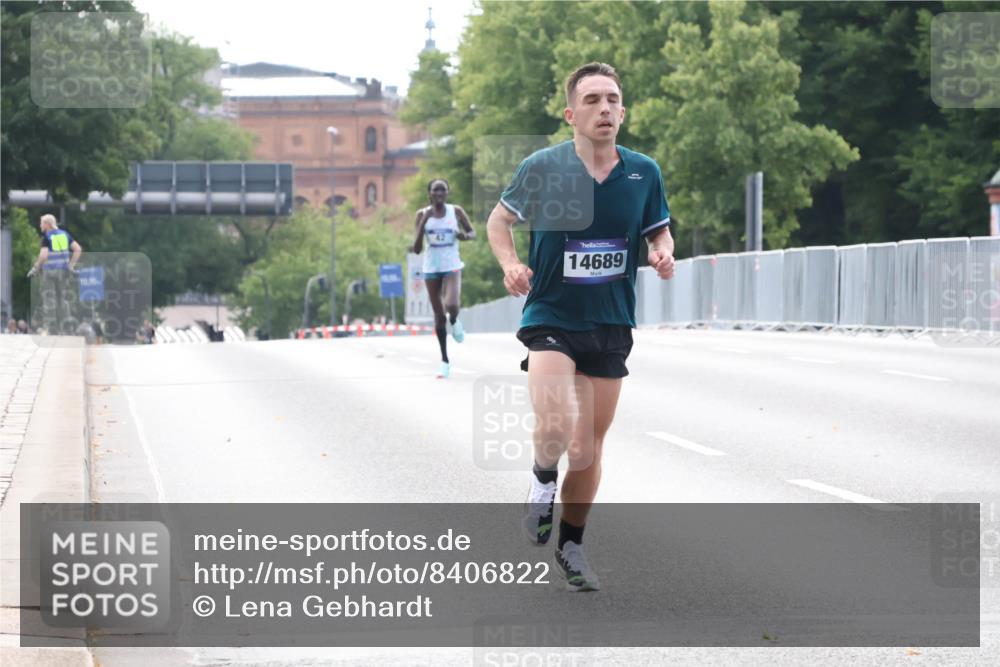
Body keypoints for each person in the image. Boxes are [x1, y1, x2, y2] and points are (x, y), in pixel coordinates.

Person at [486, 62, 675, 592]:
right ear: (571, 114)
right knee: (555, 423)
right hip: (552, 313)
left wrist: (662, 254)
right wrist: (509, 265)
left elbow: (659, 233)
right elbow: (499, 221)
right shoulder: (544, 167)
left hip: (611, 320)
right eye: (592, 100)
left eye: (613, 99)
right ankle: (542, 483)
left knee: (588, 448)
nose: (605, 109)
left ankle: (571, 545)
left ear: (624, 111)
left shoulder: (643, 172)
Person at [410, 179, 476, 378]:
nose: (439, 193)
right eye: (435, 190)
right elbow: (416, 248)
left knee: (452, 305)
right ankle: (445, 361)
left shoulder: (455, 211)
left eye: (443, 190)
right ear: (429, 193)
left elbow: (472, 232)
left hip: (452, 266)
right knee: (439, 317)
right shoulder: (422, 214)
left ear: (447, 192)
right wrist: (423, 222)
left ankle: (455, 320)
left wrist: (464, 236)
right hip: (431, 269)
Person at [26, 214, 83, 335]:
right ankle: (68, 328)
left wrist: (35, 268)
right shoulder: (65, 234)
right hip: (63, 272)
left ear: (47, 224)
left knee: (49, 299)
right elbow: (78, 249)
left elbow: (43, 256)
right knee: (62, 300)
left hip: (49, 272)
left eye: (41, 223)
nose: (40, 225)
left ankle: (52, 329)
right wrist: (71, 265)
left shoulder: (47, 237)